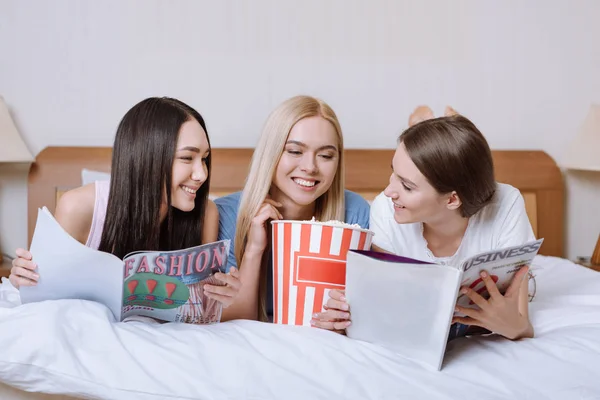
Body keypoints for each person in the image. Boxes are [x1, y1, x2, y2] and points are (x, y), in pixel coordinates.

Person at [9, 97, 243, 320]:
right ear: (147, 158)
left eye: (204, 159)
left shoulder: (206, 214)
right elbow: (45, 298)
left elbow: (199, 311)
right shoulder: (79, 207)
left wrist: (222, 298)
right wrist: (25, 278)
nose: (201, 174)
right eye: (186, 158)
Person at [313, 106, 536, 340]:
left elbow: (522, 325)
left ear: (452, 199)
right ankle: (437, 128)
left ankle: (444, 129)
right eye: (393, 173)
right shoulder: (386, 211)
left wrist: (513, 327)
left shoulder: (505, 205)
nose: (389, 191)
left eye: (407, 186)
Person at [215, 95, 370, 322]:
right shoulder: (225, 215)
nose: (310, 167)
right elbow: (238, 322)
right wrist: (255, 249)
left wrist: (342, 321)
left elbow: (366, 313)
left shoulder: (355, 213)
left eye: (326, 155)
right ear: (271, 153)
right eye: (295, 152)